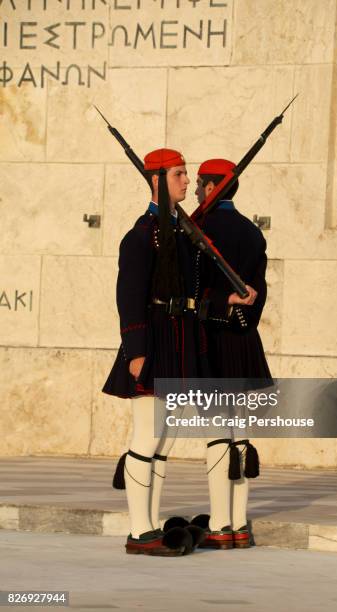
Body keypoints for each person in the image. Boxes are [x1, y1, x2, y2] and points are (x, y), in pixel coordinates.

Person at [103, 148, 207, 556]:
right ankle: (139, 530)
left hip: (179, 343)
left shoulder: (181, 231)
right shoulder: (142, 235)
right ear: (157, 180)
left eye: (186, 174)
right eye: (179, 174)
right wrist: (137, 350)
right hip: (154, 344)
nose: (186, 181)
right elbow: (128, 297)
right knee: (146, 435)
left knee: (165, 439)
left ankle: (151, 523)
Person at [194, 158, 273, 550]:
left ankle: (220, 524)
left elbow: (196, 292)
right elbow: (258, 293)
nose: (194, 191)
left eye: (199, 184)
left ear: (212, 187)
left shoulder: (200, 231)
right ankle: (240, 524)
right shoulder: (251, 233)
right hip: (244, 339)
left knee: (216, 434)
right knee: (240, 434)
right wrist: (244, 318)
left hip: (212, 339)